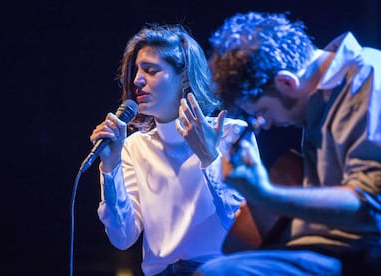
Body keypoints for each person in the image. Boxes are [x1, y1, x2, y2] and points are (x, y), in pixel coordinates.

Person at [194, 11, 381, 275]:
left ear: (286, 82)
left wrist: (268, 195)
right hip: (319, 251)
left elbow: (369, 207)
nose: (266, 124)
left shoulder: (370, 79)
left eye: (263, 112)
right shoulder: (317, 101)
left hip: (363, 254)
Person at [89, 23, 261, 276]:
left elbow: (244, 223)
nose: (137, 80)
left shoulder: (231, 132)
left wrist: (209, 156)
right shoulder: (134, 146)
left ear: (183, 77)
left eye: (150, 70)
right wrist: (109, 168)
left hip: (220, 270)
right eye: (136, 71)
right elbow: (122, 238)